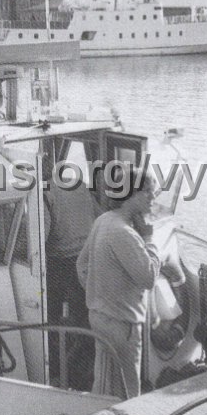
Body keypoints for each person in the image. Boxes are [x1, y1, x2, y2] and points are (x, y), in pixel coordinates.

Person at [76, 165, 184, 399]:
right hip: (122, 326)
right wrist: (148, 238)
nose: (153, 198)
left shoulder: (104, 220)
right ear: (130, 195)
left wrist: (100, 295)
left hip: (100, 318)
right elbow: (148, 278)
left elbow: (82, 265)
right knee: (128, 392)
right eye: (147, 192)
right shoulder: (125, 233)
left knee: (104, 384)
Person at [44, 167, 100, 389]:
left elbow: (44, 233)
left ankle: (58, 367)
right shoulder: (80, 186)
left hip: (61, 263)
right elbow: (99, 215)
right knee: (85, 316)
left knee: (52, 315)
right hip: (88, 259)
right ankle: (87, 368)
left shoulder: (45, 192)